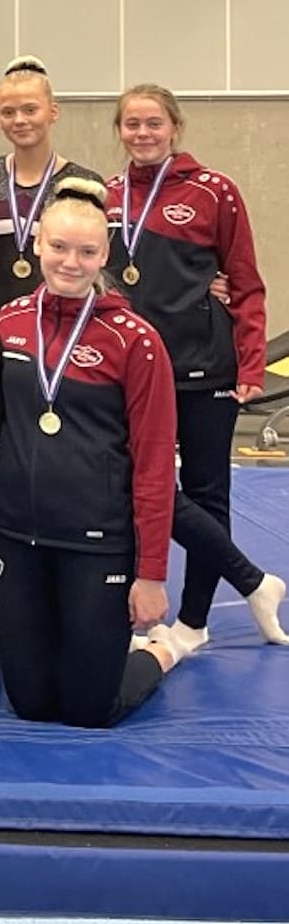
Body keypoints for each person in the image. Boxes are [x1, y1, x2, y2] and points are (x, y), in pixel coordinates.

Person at [0, 179, 187, 728]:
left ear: (105, 254)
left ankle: (160, 653)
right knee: (30, 704)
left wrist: (151, 575)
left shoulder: (135, 340)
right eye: (59, 247)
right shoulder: (9, 322)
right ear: (37, 242)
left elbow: (154, 463)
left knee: (89, 710)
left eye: (86, 251)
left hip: (97, 543)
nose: (70, 262)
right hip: (19, 537)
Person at [104, 84, 285, 649]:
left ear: (175, 128)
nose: (142, 133)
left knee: (207, 493)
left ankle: (194, 622)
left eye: (153, 123)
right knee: (133, 489)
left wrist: (251, 365)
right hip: (133, 371)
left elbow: (246, 282)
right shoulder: (107, 196)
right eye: (132, 123)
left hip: (204, 365)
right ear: (119, 130)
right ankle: (245, 585)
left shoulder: (215, 192)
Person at [0, 57, 102, 328]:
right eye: (8, 112)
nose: (20, 120)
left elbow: (98, 260)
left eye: (30, 110)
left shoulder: (83, 182)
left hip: (64, 327)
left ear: (53, 112)